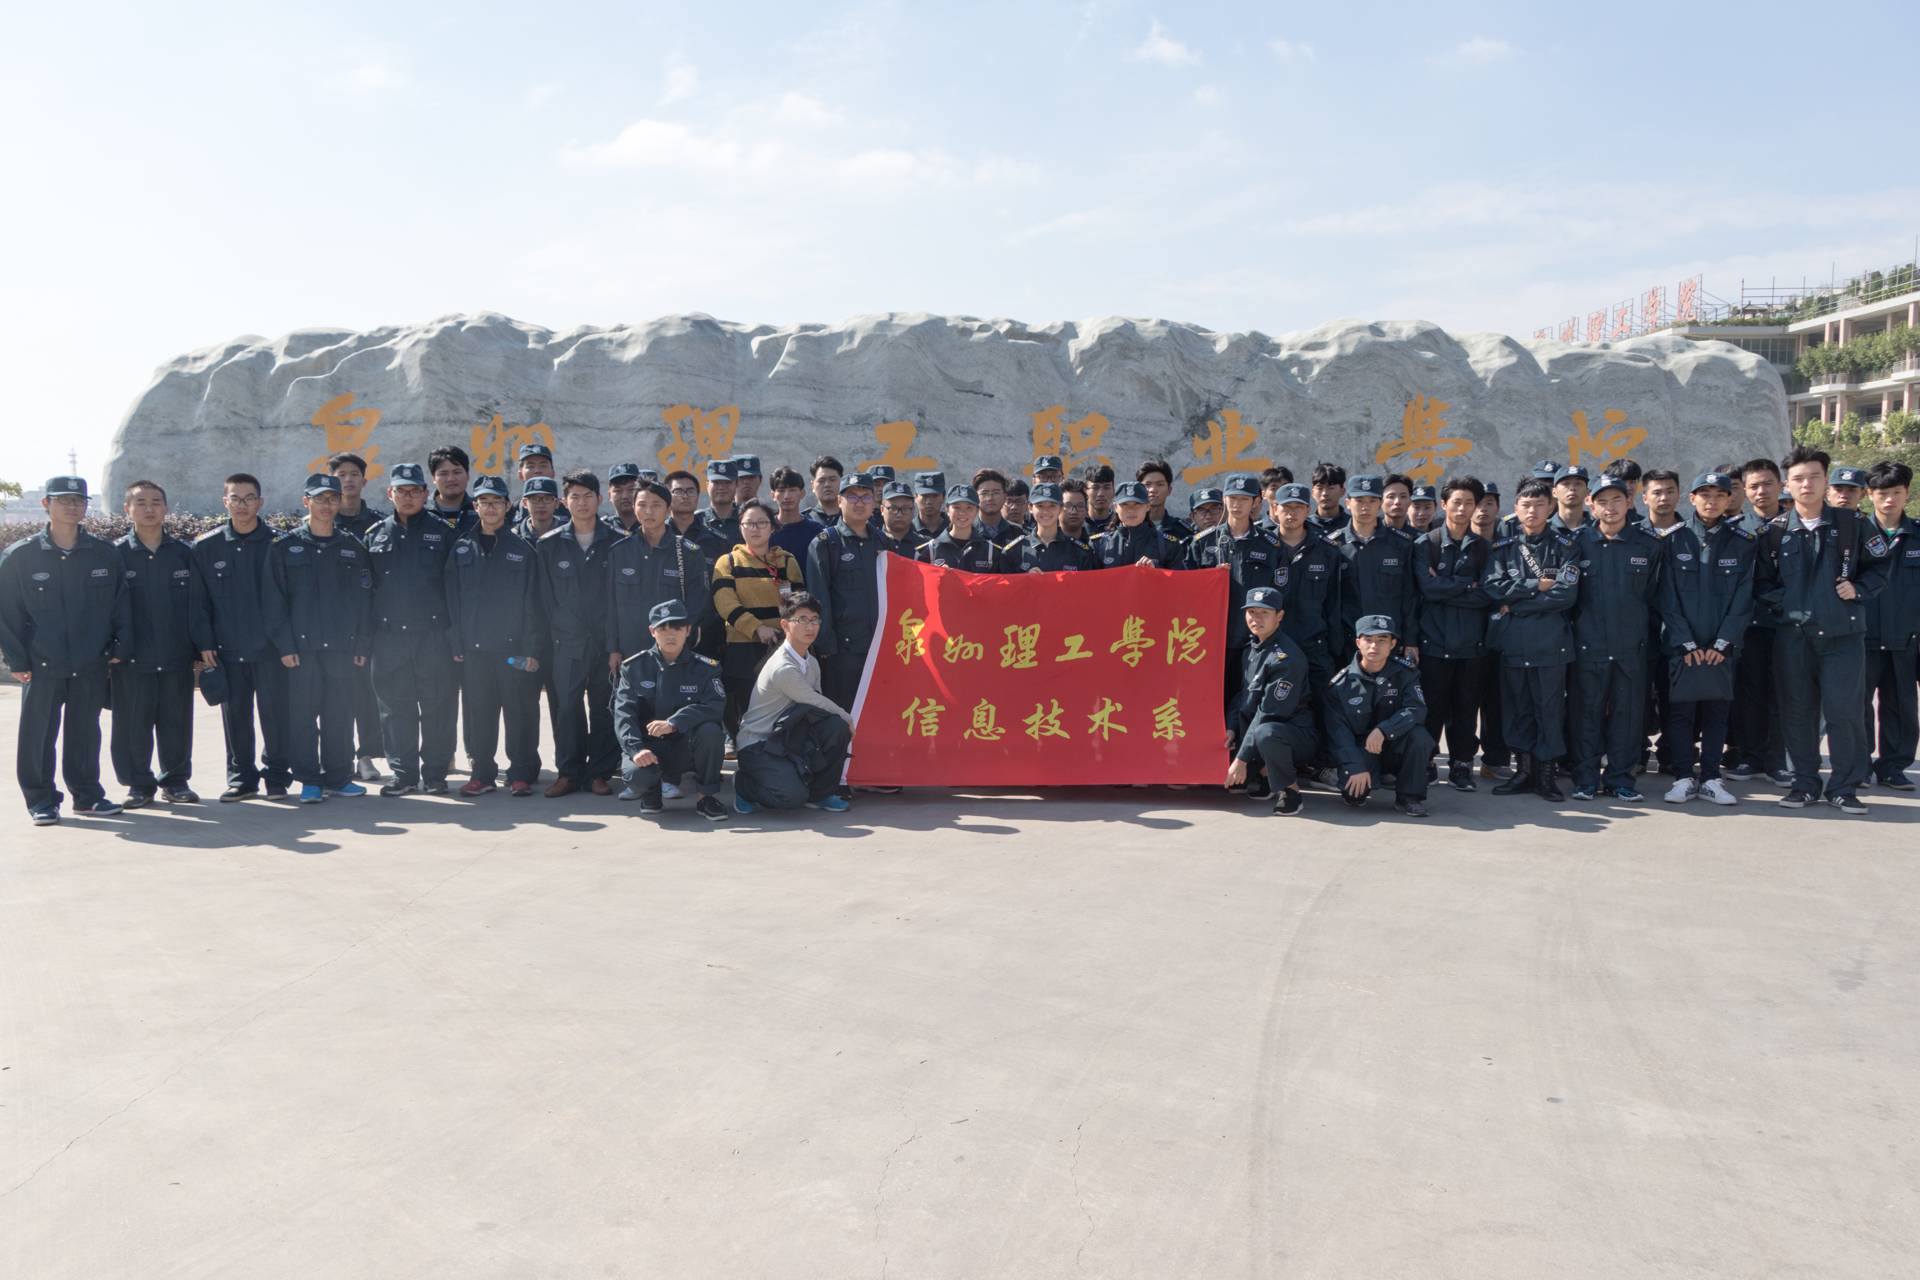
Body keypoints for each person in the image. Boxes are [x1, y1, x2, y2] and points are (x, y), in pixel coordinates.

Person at [1753, 446, 1891, 814]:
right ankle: (1805, 784)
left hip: (1842, 637)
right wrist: (1786, 603)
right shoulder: (1773, 532)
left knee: (1844, 712)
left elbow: (1880, 566)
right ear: (1788, 484)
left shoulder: (1853, 524)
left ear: (1826, 481)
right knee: (1797, 712)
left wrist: (1858, 589)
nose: (1806, 484)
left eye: (1814, 477)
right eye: (1798, 478)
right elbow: (1762, 583)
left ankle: (1844, 787)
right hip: (1793, 637)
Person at [0, 475, 131, 824]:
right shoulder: (21, 556)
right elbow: (7, 613)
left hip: (90, 660)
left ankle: (87, 795)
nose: (72, 506)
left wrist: (119, 646)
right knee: (38, 734)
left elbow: (121, 604)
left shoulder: (104, 553)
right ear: (46, 504)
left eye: (78, 501)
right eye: (63, 500)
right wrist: (17, 659)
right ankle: (41, 800)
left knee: (85, 731)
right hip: (42, 662)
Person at [263, 473, 373, 804]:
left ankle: (338, 777)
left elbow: (364, 601)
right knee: (303, 718)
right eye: (319, 499)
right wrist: (285, 645)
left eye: (332, 499)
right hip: (302, 649)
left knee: (340, 715)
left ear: (340, 502)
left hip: (342, 647)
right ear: (305, 502)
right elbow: (274, 601)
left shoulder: (352, 547)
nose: (326, 505)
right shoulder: (284, 548)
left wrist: (361, 644)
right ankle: (309, 780)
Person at [111, 479, 215, 807]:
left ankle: (176, 782)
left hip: (175, 654)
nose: (149, 509)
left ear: (166, 508)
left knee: (176, 722)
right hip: (132, 658)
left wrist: (202, 645)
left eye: (156, 502)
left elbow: (198, 604)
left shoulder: (184, 554)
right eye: (140, 503)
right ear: (127, 509)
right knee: (133, 725)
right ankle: (139, 786)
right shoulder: (115, 555)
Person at [1653, 471, 1753, 805]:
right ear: (1692, 498)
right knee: (1680, 714)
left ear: (1729, 499)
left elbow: (1744, 597)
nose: (1712, 501)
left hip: (1722, 649)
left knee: (1716, 714)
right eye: (1704, 495)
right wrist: (1686, 643)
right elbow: (1666, 597)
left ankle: (1711, 777)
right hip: (1683, 647)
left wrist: (1723, 643)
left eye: (1719, 495)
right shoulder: (1672, 540)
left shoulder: (1742, 542)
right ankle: (1683, 776)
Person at [446, 475, 548, 798]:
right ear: (475, 507)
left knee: (518, 713)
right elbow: (451, 601)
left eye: (496, 502)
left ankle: (520, 774)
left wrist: (532, 649)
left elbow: (533, 605)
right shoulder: (462, 548)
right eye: (484, 502)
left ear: (507, 506)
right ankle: (482, 774)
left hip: (511, 650)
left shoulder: (522, 549)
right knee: (479, 714)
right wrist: (456, 642)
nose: (490, 508)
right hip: (475, 650)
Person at [192, 473, 292, 800]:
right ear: (225, 502)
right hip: (228, 648)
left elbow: (291, 599)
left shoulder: (279, 544)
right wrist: (205, 642)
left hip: (271, 650)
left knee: (276, 717)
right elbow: (199, 602)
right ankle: (242, 779)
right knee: (235, 717)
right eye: (235, 498)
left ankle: (277, 777)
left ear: (260, 502)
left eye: (249, 498)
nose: (242, 505)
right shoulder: (207, 547)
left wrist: (288, 643)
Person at [1566, 475, 1666, 802]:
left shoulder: (1648, 545)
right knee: (1586, 714)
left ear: (1629, 503)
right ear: (1591, 505)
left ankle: (1621, 780)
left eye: (1617, 500)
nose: (1610, 507)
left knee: (1627, 716)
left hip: (1631, 648)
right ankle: (1585, 779)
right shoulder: (1576, 544)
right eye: (1603, 501)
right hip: (1588, 646)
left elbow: (1655, 598)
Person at [363, 461, 458, 797]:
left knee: (438, 707)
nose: (407, 496)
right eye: (400, 491)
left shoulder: (443, 533)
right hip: (389, 638)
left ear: (425, 493)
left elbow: (455, 588)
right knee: (395, 709)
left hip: (433, 636)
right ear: (390, 493)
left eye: (414, 490)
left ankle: (435, 775)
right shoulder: (375, 535)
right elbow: (365, 592)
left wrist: (455, 637)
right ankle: (403, 775)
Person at [1481, 476, 1579, 800]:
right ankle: (1523, 772)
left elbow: (1566, 594)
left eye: (1539, 504)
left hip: (1551, 644)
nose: (1532, 511)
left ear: (1551, 507)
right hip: (1513, 643)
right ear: (1516, 508)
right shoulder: (1503, 548)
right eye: (1526, 505)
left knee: (1548, 710)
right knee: (1518, 709)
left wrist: (1517, 605)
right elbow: (1493, 587)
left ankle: (1546, 776)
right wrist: (1534, 585)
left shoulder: (1565, 546)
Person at [537, 468, 622, 797]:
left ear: (600, 499)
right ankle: (568, 773)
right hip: (567, 642)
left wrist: (615, 644)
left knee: (603, 707)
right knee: (566, 708)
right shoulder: (549, 545)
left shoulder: (617, 541)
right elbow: (544, 601)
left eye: (588, 496)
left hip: (605, 642)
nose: (582, 503)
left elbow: (620, 599)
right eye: (575, 496)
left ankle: (599, 772)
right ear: (564, 501)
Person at [732, 592, 855, 814]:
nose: (810, 626)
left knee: (835, 727)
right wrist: (847, 716)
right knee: (791, 796)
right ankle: (744, 785)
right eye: (802, 619)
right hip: (758, 744)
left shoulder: (812, 662)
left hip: (788, 736)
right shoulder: (783, 667)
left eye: (815, 620)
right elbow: (812, 699)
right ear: (785, 624)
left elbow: (817, 710)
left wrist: (841, 721)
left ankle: (821, 794)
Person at [613, 598, 727, 819]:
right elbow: (624, 714)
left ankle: (706, 798)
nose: (670, 634)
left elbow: (715, 706)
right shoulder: (634, 668)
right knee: (637, 775)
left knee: (711, 732)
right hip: (649, 747)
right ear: (652, 632)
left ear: (688, 630)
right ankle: (651, 791)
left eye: (676, 627)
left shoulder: (705, 668)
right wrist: (636, 749)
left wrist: (675, 723)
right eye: (663, 628)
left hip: (685, 745)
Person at [1413, 476, 1491, 791]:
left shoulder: (1483, 548)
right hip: (1433, 642)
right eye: (1456, 502)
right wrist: (1466, 585)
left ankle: (1462, 764)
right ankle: (1427, 761)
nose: (1462, 508)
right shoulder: (1426, 544)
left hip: (1471, 645)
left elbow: (1487, 594)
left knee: (1466, 709)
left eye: (1469, 503)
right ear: (1444, 504)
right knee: (1431, 708)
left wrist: (1446, 587)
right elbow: (1427, 589)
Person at [1321, 614, 1436, 817]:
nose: (1374, 646)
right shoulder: (1340, 685)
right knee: (1354, 797)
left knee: (1419, 737)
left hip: (1394, 745)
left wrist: (1384, 730)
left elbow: (1416, 709)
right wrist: (1354, 765)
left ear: (1392, 644)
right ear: (1358, 643)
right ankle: (1360, 775)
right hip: (1361, 750)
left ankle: (1409, 796)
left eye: (1382, 640)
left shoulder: (1406, 673)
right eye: (1368, 640)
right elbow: (1338, 732)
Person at [711, 499, 807, 739]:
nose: (755, 529)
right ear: (740, 527)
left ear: (772, 527)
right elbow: (725, 603)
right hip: (742, 648)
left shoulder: (786, 561)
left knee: (780, 708)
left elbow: (798, 603)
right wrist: (756, 628)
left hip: (780, 646)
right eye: (749, 523)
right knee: (746, 708)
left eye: (762, 523)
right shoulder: (728, 562)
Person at [805, 468, 898, 712]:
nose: (859, 502)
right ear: (839, 501)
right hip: (843, 654)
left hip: (879, 649)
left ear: (874, 502)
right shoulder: (826, 544)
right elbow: (818, 600)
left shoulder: (883, 542)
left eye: (866, 496)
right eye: (852, 496)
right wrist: (826, 650)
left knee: (879, 714)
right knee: (844, 718)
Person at [1185, 474, 1282, 702]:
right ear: (1225, 500)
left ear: (1256, 502)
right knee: (1210, 700)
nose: (1237, 505)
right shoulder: (1203, 542)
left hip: (1253, 638)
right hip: (1211, 638)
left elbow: (1279, 592)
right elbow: (1186, 590)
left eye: (1244, 499)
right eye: (1232, 498)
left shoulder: (1270, 544)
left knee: (1248, 700)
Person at [1223, 586, 1314, 815]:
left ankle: (1290, 791)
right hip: (1261, 727)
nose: (1256, 619)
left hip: (1293, 734)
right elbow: (1243, 695)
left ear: (1279, 616)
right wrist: (1231, 728)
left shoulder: (1285, 658)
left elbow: (1269, 712)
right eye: (1251, 612)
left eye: (1264, 613)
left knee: (1267, 733)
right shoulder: (1252, 649)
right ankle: (1265, 776)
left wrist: (1241, 759)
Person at [608, 479, 715, 672]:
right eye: (642, 505)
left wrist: (676, 637)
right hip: (630, 650)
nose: (648, 511)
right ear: (634, 508)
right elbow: (610, 605)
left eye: (656, 505)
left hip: (674, 650)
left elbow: (699, 602)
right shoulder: (620, 552)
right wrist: (613, 648)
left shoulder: (688, 552)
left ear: (668, 509)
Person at [1727, 457, 1789, 782]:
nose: (1761, 491)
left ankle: (1777, 760)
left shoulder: (1796, 526)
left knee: (1782, 693)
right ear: (1745, 491)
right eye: (1754, 486)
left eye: (1767, 484)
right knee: (1748, 693)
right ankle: (1749, 756)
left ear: (1780, 485)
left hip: (1786, 624)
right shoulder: (1736, 530)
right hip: (1748, 625)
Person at [329, 451, 386, 783]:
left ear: (364, 480)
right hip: (331, 623)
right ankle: (337, 755)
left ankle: (366, 755)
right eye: (341, 475)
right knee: (335, 694)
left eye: (353, 474)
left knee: (366, 693)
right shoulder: (322, 520)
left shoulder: (378, 524)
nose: (348, 480)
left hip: (368, 621)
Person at [1862, 461, 1919, 790]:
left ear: (1906, 493)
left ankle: (1893, 767)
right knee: (1857, 706)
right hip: (1862, 637)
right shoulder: (1856, 534)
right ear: (1870, 494)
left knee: (1901, 706)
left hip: (1905, 638)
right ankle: (1859, 764)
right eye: (1882, 493)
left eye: (1896, 492)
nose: (1889, 500)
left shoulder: (1917, 535)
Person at [1331, 474, 1419, 657]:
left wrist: (1411, 640)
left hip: (1390, 639)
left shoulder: (1400, 544)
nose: (1365, 507)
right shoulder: (1333, 545)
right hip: (1348, 641)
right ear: (1347, 503)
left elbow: (1409, 596)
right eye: (1359, 500)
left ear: (1379, 503)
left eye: (1372, 500)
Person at [1000, 483, 1096, 571]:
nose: (1046, 511)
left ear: (1060, 508)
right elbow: (1005, 584)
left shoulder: (1080, 552)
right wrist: (1025, 579)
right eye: (1040, 506)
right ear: (1030, 508)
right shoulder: (1013, 551)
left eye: (1052, 506)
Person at [916, 482, 1002, 571]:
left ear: (977, 511)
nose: (962, 512)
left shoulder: (990, 551)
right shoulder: (930, 550)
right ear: (947, 510)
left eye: (969, 508)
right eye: (957, 507)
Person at [1092, 481, 1180, 568]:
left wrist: (1156, 571)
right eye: (1124, 504)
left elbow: (1179, 576)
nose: (1131, 510)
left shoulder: (1167, 545)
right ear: (1115, 507)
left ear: (1147, 506)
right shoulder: (1099, 544)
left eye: (1137, 504)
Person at [667, 469, 730, 561]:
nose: (685, 496)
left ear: (698, 495)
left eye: (690, 491)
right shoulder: (657, 535)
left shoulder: (717, 540)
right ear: (667, 496)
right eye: (678, 491)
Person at [769, 466, 828, 559]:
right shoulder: (765, 529)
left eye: (792, 490)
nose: (787, 496)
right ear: (773, 495)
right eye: (781, 491)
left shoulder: (816, 531)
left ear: (802, 493)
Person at [427, 445, 478, 534]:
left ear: (468, 475)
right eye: (443, 473)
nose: (451, 479)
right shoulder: (422, 511)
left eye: (457, 472)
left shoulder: (481, 510)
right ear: (434, 478)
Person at [1137, 459, 1190, 541]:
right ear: (1138, 489)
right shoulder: (1129, 528)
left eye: (1160, 484)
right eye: (1147, 484)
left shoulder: (1182, 531)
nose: (1153, 490)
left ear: (1169, 490)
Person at [699, 458, 743, 550]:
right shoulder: (696, 521)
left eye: (727, 482)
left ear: (737, 484)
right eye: (716, 482)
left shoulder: (746, 519)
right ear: (707, 485)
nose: (722, 487)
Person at [971, 469, 1014, 543]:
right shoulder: (966, 532)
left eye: (996, 493)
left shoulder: (1018, 534)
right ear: (975, 497)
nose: (990, 498)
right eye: (984, 493)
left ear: (1005, 496)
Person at [516, 475, 562, 541]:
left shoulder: (569, 535)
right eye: (534, 499)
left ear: (557, 503)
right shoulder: (514, 536)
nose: (541, 505)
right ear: (525, 503)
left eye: (547, 499)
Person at [1307, 462, 1348, 535]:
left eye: (1331, 488)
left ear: (1342, 491)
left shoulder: (1353, 525)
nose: (1325, 493)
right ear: (1313, 492)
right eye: (1320, 488)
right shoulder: (1304, 526)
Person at [605, 462, 644, 535]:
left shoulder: (652, 527)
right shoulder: (602, 528)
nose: (625, 496)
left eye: (631, 489)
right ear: (609, 495)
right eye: (618, 490)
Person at [805, 455, 844, 524]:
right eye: (821, 481)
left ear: (842, 482)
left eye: (832, 480)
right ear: (813, 486)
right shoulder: (805, 520)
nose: (827, 485)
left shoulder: (855, 518)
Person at [910, 471, 947, 544]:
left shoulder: (953, 529)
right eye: (924, 496)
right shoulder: (907, 530)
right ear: (915, 497)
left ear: (943, 497)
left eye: (935, 496)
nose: (929, 501)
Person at [1551, 466, 1591, 533]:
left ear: (1587, 492)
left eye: (1578, 483)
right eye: (1566, 483)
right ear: (1554, 492)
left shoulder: (1599, 529)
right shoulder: (1542, 529)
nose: (1572, 488)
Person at [1081, 463, 1117, 535]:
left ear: (1113, 491)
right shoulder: (1077, 523)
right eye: (1095, 487)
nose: (1101, 493)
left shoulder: (1120, 524)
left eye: (1106, 487)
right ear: (1085, 490)